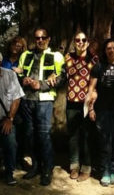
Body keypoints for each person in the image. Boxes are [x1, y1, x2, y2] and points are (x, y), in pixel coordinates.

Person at [18, 27, 65, 186]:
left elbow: (62, 78)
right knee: (30, 136)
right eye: (37, 37)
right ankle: (36, 166)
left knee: (44, 136)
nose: (40, 40)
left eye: (43, 37)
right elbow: (19, 73)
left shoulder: (56, 56)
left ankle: (47, 169)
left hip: (44, 100)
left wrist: (42, 84)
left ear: (48, 39)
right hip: (27, 100)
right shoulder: (26, 55)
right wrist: (23, 79)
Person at [87, 39, 114, 186]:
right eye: (109, 48)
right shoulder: (98, 67)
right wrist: (90, 108)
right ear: (105, 51)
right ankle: (105, 171)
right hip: (102, 110)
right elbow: (91, 89)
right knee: (104, 141)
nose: (112, 50)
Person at [65, 32, 98, 181]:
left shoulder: (94, 59)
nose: (80, 42)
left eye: (83, 40)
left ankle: (86, 167)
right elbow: (62, 73)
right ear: (74, 42)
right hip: (71, 101)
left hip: (86, 102)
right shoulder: (68, 57)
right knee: (73, 135)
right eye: (77, 40)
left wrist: (91, 104)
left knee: (86, 135)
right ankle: (74, 165)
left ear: (88, 42)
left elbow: (95, 82)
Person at [0, 52, 25, 185]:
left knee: (10, 143)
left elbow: (17, 97)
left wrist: (10, 118)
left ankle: (9, 173)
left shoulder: (9, 75)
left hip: (6, 118)